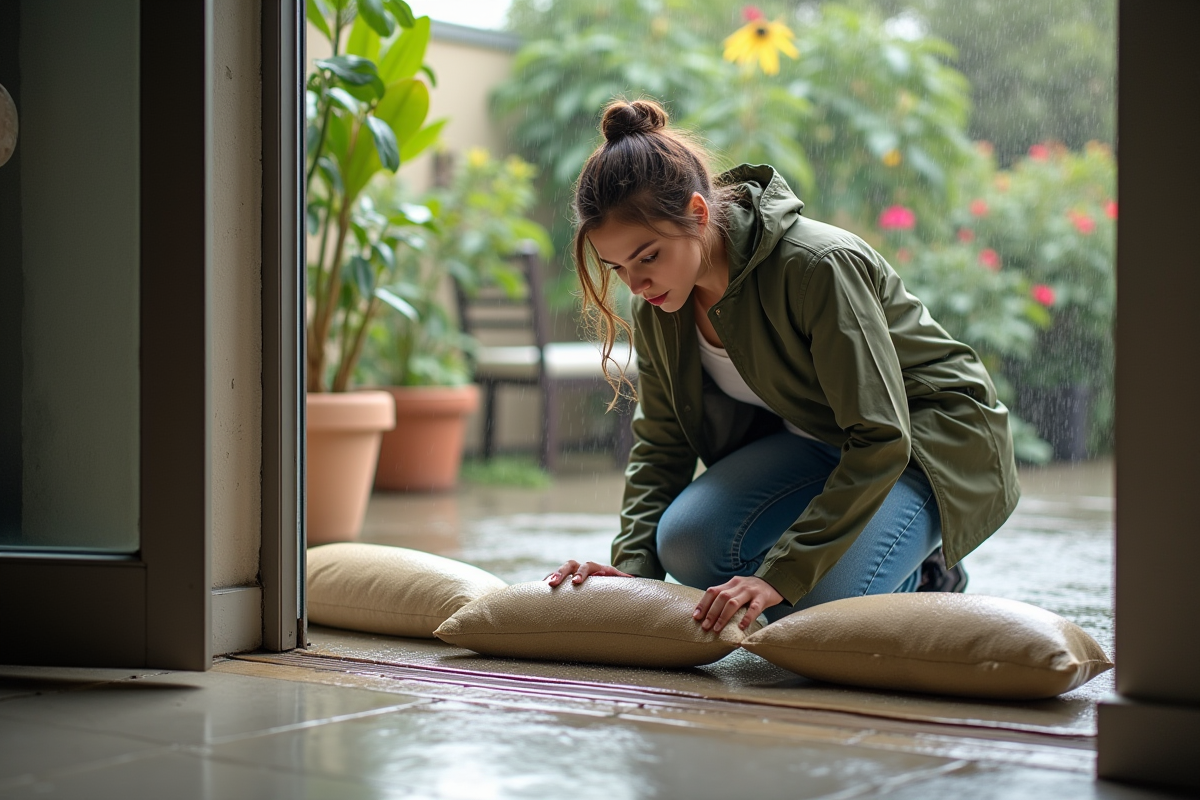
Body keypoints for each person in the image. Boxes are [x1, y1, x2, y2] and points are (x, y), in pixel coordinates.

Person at [547, 99, 1020, 636]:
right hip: (820, 439)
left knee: (806, 613)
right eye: (618, 267)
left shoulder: (818, 267)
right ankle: (856, 553)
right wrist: (629, 578)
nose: (635, 284)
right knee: (684, 543)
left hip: (926, 444)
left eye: (648, 256)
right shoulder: (660, 307)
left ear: (699, 215)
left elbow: (882, 435)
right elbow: (663, 443)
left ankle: (927, 572)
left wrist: (783, 574)